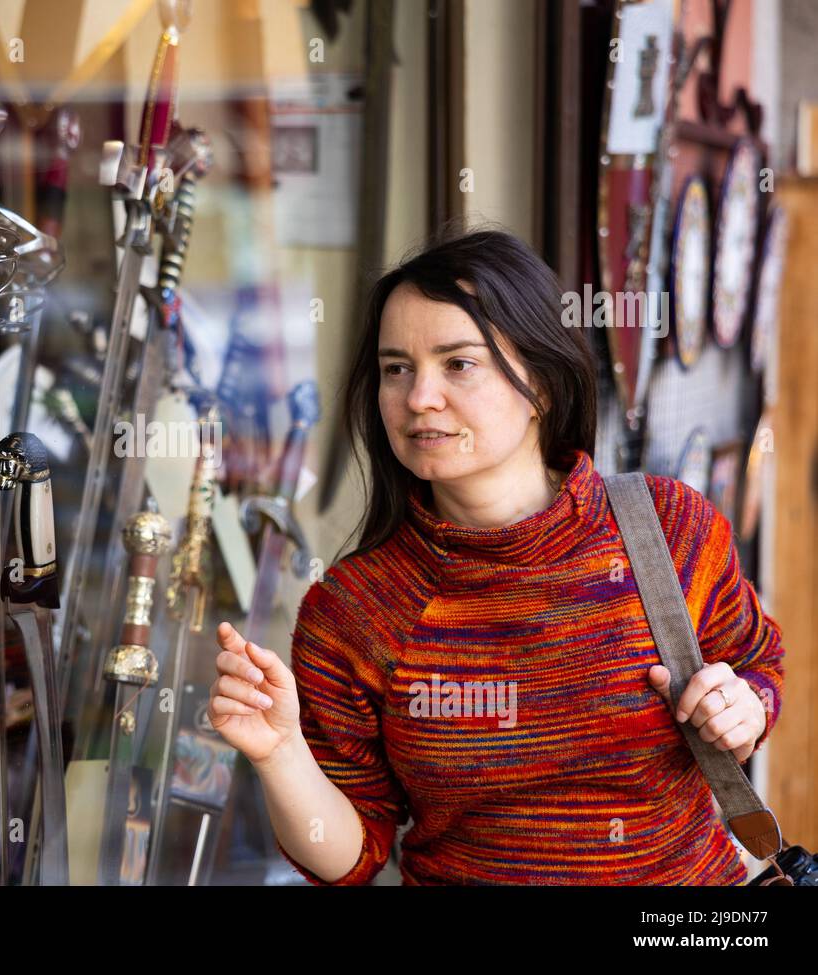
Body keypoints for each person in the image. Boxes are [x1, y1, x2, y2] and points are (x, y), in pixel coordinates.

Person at [209, 229, 784, 885]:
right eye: (397, 367)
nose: (420, 396)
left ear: (540, 383)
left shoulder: (671, 527)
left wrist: (747, 707)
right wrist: (282, 753)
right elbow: (354, 854)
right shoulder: (352, 610)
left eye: (458, 363)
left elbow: (759, 661)